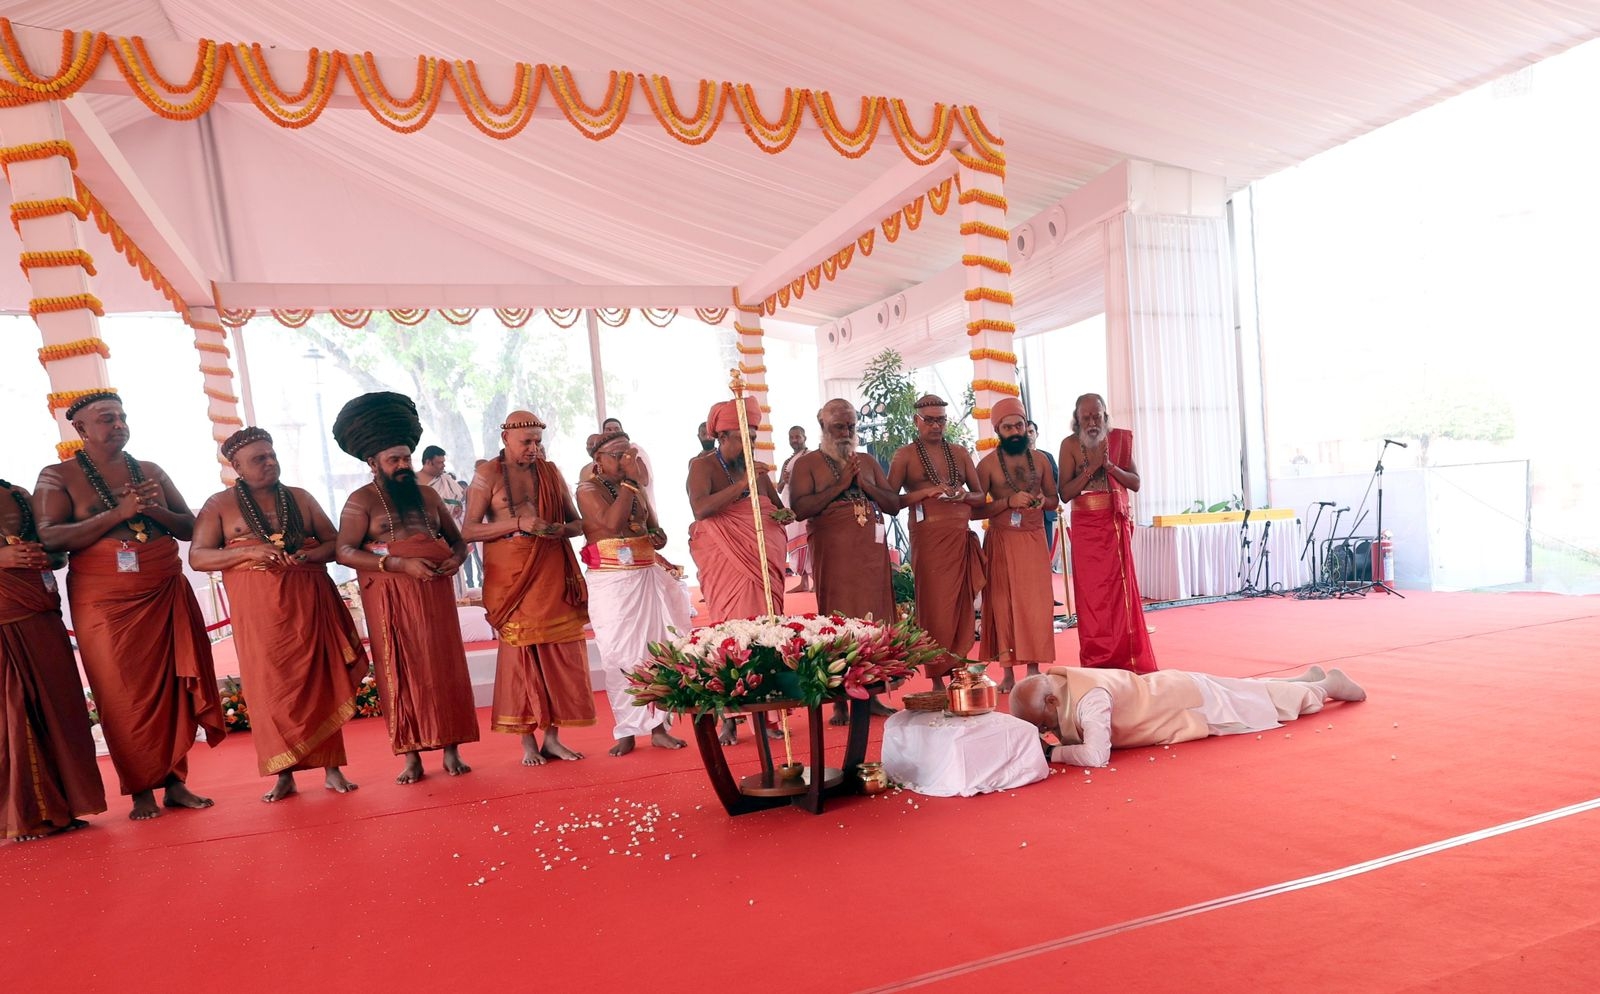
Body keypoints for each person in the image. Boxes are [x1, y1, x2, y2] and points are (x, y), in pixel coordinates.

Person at [33, 392, 224, 821]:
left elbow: (191, 528)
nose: (117, 424)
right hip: (103, 598)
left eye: (121, 417)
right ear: (81, 429)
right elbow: (50, 538)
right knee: (121, 692)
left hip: (160, 585)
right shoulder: (56, 476)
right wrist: (117, 512)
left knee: (172, 687)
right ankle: (140, 789)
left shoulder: (151, 470)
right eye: (106, 418)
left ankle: (176, 784)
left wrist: (153, 508)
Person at [190, 428, 366, 802]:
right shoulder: (218, 504)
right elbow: (198, 556)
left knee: (318, 681)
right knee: (270, 688)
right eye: (259, 459)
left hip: (307, 603)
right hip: (258, 614)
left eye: (272, 456)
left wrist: (308, 555)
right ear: (236, 466)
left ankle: (332, 769)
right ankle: (283, 773)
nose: (269, 463)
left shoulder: (300, 498)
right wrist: (248, 554)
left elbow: (335, 543)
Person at [333, 392, 477, 784]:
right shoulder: (360, 501)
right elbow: (343, 551)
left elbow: (459, 539)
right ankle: (410, 755)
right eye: (393, 460)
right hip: (390, 598)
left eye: (406, 459)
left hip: (434, 593)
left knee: (443, 666)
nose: (402, 465)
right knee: (400, 669)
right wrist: (395, 563)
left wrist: (456, 558)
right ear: (372, 463)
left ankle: (451, 749)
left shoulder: (428, 495)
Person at [462, 411, 594, 764]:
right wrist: (519, 523)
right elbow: (469, 531)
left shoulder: (550, 472)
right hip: (510, 576)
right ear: (506, 438)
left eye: (538, 441)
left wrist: (556, 529)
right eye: (527, 442)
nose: (534, 448)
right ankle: (526, 743)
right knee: (520, 656)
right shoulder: (487, 474)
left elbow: (575, 522)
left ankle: (552, 737)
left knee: (555, 655)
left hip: (549, 567)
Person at [1, 475, 105, 840]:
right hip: (4, 625)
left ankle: (65, 807)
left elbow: (57, 553)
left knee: (61, 712)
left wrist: (46, 554)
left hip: (43, 618)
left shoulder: (19, 495)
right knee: (13, 717)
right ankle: (27, 815)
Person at [576, 430, 691, 756]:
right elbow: (611, 525)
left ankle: (658, 728)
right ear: (598, 461)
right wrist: (630, 483)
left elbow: (657, 530)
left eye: (629, 454)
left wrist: (657, 536)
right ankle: (626, 730)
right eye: (618, 455)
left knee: (655, 653)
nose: (627, 460)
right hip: (612, 582)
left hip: (644, 576)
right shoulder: (587, 490)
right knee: (620, 656)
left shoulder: (635, 488)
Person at [1009, 665, 1367, 768]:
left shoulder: (1090, 699)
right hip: (1173, 689)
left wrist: (1051, 754)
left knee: (1259, 708)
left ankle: (1323, 687)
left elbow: (1095, 756)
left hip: (1182, 705)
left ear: (1053, 702)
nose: (1049, 731)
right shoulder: (1062, 682)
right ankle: (1302, 679)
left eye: (1045, 724)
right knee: (1247, 693)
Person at [687, 395, 790, 744]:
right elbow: (701, 510)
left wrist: (782, 515)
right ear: (724, 435)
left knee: (767, 632)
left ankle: (771, 713)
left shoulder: (757, 467)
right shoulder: (702, 466)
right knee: (731, 635)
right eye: (746, 433)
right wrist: (744, 484)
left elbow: (775, 506)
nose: (753, 440)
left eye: (756, 432)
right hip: (726, 560)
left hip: (761, 560)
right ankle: (730, 716)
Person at [789, 398, 900, 725]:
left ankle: (874, 693)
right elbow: (800, 508)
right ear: (822, 426)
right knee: (838, 622)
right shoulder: (807, 464)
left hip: (869, 554)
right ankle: (839, 701)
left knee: (874, 620)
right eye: (840, 426)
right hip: (834, 554)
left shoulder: (865, 460)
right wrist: (840, 486)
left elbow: (893, 503)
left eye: (851, 426)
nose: (847, 432)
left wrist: (865, 486)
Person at [887, 395, 984, 689]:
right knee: (935, 606)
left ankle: (959, 668)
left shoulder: (960, 452)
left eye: (941, 419)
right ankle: (937, 679)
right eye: (929, 419)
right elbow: (890, 502)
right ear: (916, 421)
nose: (936, 425)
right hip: (928, 540)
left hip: (958, 536)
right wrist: (924, 493)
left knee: (961, 605)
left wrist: (963, 495)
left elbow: (980, 496)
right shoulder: (904, 455)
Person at [1058, 393, 1159, 673]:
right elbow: (1065, 493)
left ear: (1105, 416)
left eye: (1097, 416)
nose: (1092, 421)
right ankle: (1097, 659)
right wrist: (1090, 471)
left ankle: (1126, 656)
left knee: (1120, 591)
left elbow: (1136, 483)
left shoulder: (1118, 441)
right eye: (1086, 417)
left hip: (1114, 526)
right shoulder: (1068, 446)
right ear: (1076, 419)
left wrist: (1111, 467)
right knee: (1091, 597)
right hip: (1086, 530)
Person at [975, 398, 1059, 693]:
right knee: (1004, 605)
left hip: (1034, 538)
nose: (1014, 431)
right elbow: (975, 510)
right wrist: (1007, 502)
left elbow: (1054, 499)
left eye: (1019, 425)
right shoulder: (986, 465)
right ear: (997, 429)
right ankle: (1008, 673)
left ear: (1026, 427)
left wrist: (1040, 502)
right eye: (1007, 426)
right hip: (1002, 541)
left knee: (1035, 605)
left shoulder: (1042, 461)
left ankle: (1034, 669)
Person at [777, 425, 813, 593]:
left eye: (797, 437)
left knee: (808, 543)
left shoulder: (811, 457)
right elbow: (778, 488)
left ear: (805, 437)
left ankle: (816, 581)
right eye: (791, 437)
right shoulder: (786, 462)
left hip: (803, 504)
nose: (794, 440)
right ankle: (804, 582)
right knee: (795, 544)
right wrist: (784, 480)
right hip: (788, 505)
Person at [1027, 420, 1062, 563]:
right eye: (1025, 432)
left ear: (1037, 434)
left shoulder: (1046, 456)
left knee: (1045, 554)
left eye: (1031, 432)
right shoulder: (1013, 459)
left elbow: (1058, 480)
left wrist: (1045, 491)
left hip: (1045, 510)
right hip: (1024, 513)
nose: (1028, 435)